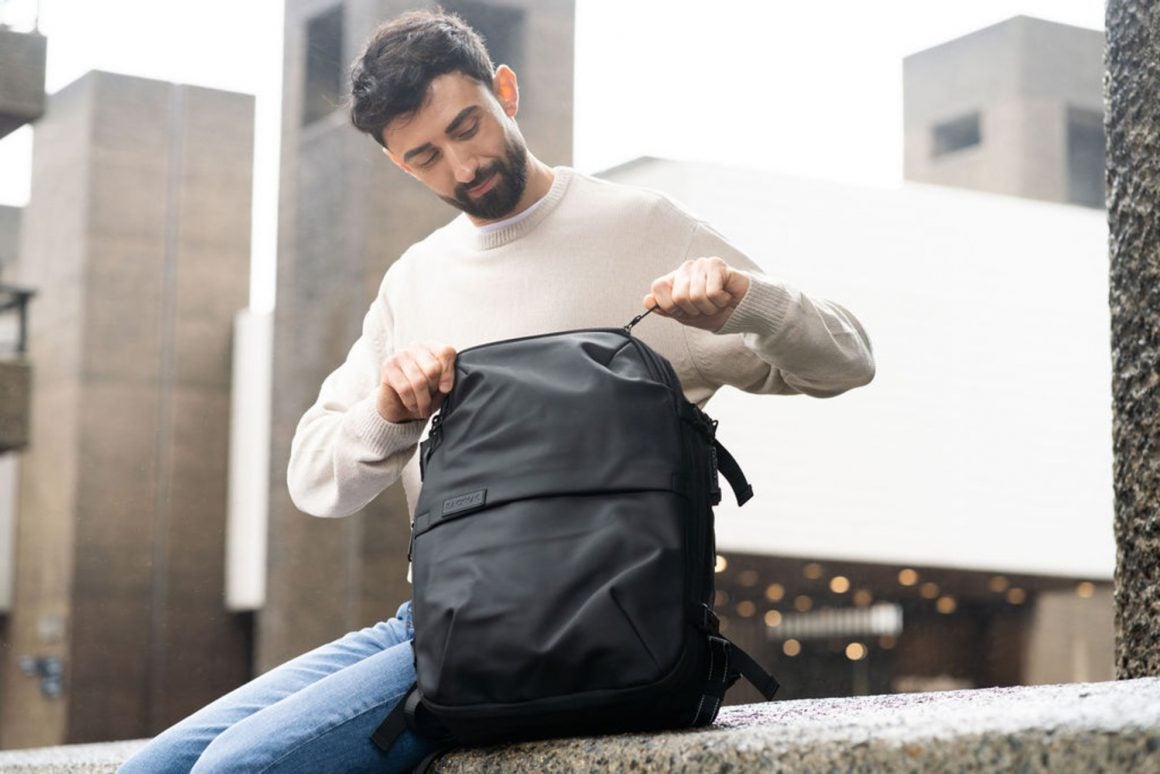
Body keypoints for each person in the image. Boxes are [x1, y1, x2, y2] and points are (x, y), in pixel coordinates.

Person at [120, 9, 874, 773]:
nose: (461, 166)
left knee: (233, 769)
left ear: (505, 91)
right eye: (425, 156)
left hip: (587, 620)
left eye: (467, 127)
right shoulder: (416, 279)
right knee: (150, 768)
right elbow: (315, 481)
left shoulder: (642, 228)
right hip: (435, 619)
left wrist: (746, 302)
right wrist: (389, 413)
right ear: (398, 164)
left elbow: (847, 360)